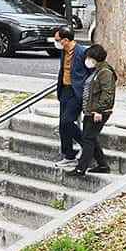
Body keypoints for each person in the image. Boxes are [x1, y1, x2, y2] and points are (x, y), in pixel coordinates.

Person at [69, 44, 115, 176]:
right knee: (91, 138)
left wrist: (99, 110)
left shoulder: (105, 72)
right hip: (91, 111)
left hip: (98, 112)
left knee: (88, 139)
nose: (87, 59)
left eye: (89, 57)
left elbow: (107, 93)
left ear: (95, 58)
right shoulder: (97, 70)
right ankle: (103, 165)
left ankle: (81, 169)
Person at [53, 27, 89, 167]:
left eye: (57, 40)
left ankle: (87, 145)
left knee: (67, 121)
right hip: (65, 90)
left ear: (66, 40)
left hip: (77, 92)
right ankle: (68, 155)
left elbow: (91, 72)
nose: (56, 42)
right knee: (62, 125)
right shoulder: (64, 51)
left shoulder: (82, 52)